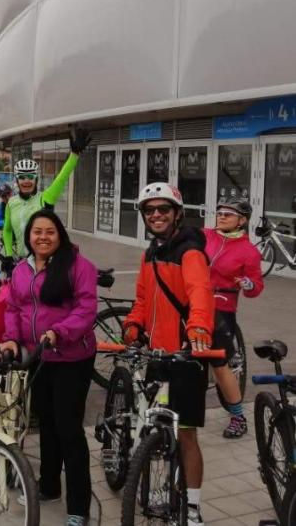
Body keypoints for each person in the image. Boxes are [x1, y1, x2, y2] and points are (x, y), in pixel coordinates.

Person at [123, 182, 214, 526]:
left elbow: (199, 291)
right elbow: (143, 299)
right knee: (153, 426)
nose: (156, 215)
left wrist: (200, 328)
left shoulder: (189, 252)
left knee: (187, 434)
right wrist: (133, 324)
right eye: (150, 210)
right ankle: (150, 480)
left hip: (187, 357)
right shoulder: (151, 253)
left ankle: (192, 507)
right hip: (158, 356)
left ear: (177, 214)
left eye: (163, 209)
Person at [0, 209, 97, 525]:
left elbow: (86, 308)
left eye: (49, 231)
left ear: (60, 235)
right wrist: (13, 339)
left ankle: (79, 508)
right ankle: (50, 486)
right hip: (37, 357)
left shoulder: (79, 266)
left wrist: (60, 332)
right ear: (28, 236)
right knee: (47, 423)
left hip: (71, 357)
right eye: (37, 231)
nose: (42, 237)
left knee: (69, 430)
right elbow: (14, 307)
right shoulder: (22, 269)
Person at [203, 197, 263, 439]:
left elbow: (256, 287)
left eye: (229, 214)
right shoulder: (204, 235)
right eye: (219, 212)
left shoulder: (249, 252)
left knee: (220, 365)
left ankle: (238, 417)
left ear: (242, 220)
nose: (222, 216)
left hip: (222, 304)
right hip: (194, 300)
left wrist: (248, 284)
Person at [3, 128, 90, 261]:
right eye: (22, 177)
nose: (26, 181)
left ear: (36, 179)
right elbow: (7, 230)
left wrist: (74, 154)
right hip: (20, 262)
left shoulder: (45, 198)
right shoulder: (11, 202)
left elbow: (62, 177)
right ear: (17, 180)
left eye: (30, 177)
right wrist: (8, 255)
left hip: (45, 261)